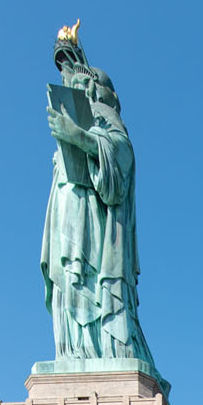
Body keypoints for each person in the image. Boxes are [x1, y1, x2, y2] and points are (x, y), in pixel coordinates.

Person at [41, 28, 158, 375]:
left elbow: (119, 161)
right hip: (68, 209)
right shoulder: (78, 113)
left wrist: (78, 136)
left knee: (89, 279)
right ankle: (74, 352)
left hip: (96, 220)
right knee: (69, 277)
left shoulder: (108, 119)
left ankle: (102, 349)